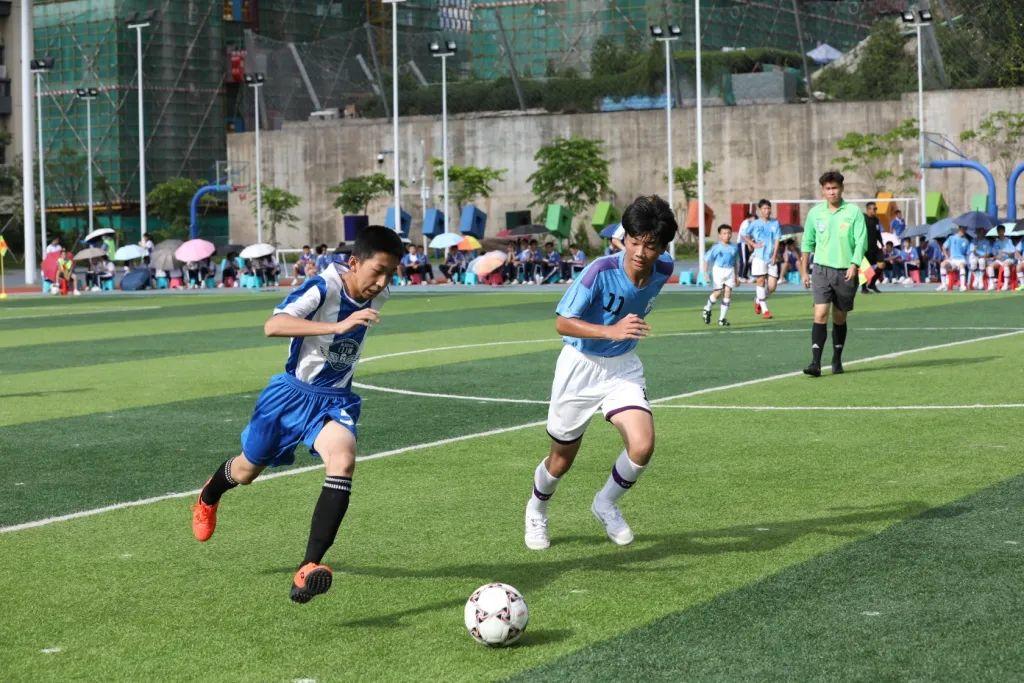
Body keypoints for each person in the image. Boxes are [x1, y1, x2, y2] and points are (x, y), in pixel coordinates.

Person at [191, 225, 404, 603]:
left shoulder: (379, 292)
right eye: (378, 271)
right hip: (289, 396)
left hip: (334, 400)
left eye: (391, 273)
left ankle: (308, 569)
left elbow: (373, 287)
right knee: (247, 470)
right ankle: (209, 493)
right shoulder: (323, 287)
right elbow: (273, 325)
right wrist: (337, 325)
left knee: (343, 460)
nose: (383, 283)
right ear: (354, 262)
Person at [523, 195, 676, 551]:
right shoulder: (599, 271)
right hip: (580, 365)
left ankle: (605, 503)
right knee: (561, 460)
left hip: (622, 367)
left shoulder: (664, 269)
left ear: (662, 247)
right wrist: (611, 330)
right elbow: (563, 322)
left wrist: (619, 337)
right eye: (634, 242)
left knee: (642, 445)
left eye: (650, 246)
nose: (640, 252)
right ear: (625, 238)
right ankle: (536, 508)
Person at [798, 170, 867, 377]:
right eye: (828, 189)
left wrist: (854, 264)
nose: (831, 192)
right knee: (820, 313)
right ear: (822, 190)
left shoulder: (853, 212)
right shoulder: (815, 213)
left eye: (835, 188)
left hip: (846, 271)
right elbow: (807, 243)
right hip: (821, 269)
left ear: (842, 188)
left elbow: (861, 241)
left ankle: (837, 358)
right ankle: (815, 363)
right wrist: (804, 271)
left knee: (839, 317)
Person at [744, 199, 780, 319]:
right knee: (760, 281)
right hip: (759, 257)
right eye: (764, 208)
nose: (767, 210)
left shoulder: (775, 223)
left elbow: (777, 240)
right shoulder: (755, 223)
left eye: (768, 208)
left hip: (771, 257)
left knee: (772, 287)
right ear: (760, 210)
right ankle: (765, 310)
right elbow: (745, 235)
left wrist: (774, 255)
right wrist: (753, 244)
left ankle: (758, 299)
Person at [701, 224, 739, 327]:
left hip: (730, 270)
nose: (727, 235)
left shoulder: (734, 247)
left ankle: (721, 319)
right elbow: (706, 259)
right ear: (720, 235)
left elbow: (735, 262)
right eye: (724, 233)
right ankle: (707, 308)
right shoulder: (716, 247)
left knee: (728, 292)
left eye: (729, 233)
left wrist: (736, 276)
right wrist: (705, 273)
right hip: (718, 270)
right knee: (718, 292)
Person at [938, 225, 970, 292]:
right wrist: (947, 257)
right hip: (952, 260)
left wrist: (967, 262)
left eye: (965, 228)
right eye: (963, 228)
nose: (964, 230)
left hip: (961, 259)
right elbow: (944, 247)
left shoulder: (966, 241)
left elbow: (967, 253)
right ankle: (943, 285)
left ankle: (962, 286)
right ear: (959, 228)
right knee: (942, 264)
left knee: (961, 266)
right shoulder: (951, 238)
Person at [861, 202, 884, 294]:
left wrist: (882, 244)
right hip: (864, 248)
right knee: (865, 268)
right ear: (868, 209)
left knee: (882, 264)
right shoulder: (862, 218)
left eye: (875, 209)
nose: (875, 210)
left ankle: (872, 283)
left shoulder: (876, 220)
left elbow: (878, 233)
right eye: (873, 209)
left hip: (875, 247)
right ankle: (863, 288)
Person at [990, 225, 1016, 291]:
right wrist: (997, 256)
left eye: (1001, 231)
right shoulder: (996, 242)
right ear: (997, 232)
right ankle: (992, 284)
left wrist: (1005, 252)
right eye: (999, 231)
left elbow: (1012, 253)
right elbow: (994, 254)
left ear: (1004, 231)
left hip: (1008, 259)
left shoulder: (1009, 241)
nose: (1000, 232)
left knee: (1006, 265)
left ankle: (1006, 284)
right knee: (990, 266)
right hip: (999, 260)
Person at [737, 210, 754, 283]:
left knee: (747, 260)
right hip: (742, 243)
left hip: (747, 244)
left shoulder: (751, 224)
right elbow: (744, 236)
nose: (754, 220)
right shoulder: (746, 223)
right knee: (744, 260)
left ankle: (745, 275)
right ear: (749, 217)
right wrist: (749, 245)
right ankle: (740, 276)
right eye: (753, 218)